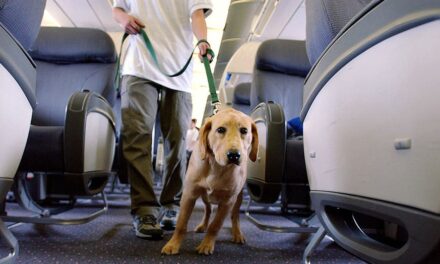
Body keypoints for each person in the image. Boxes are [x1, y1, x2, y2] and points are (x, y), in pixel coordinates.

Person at [112, 0, 213, 240]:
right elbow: (118, 8)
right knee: (137, 137)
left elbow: (197, 14)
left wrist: (203, 40)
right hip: (139, 65)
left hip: (178, 68)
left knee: (177, 140)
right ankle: (144, 209)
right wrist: (123, 19)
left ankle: (172, 205)